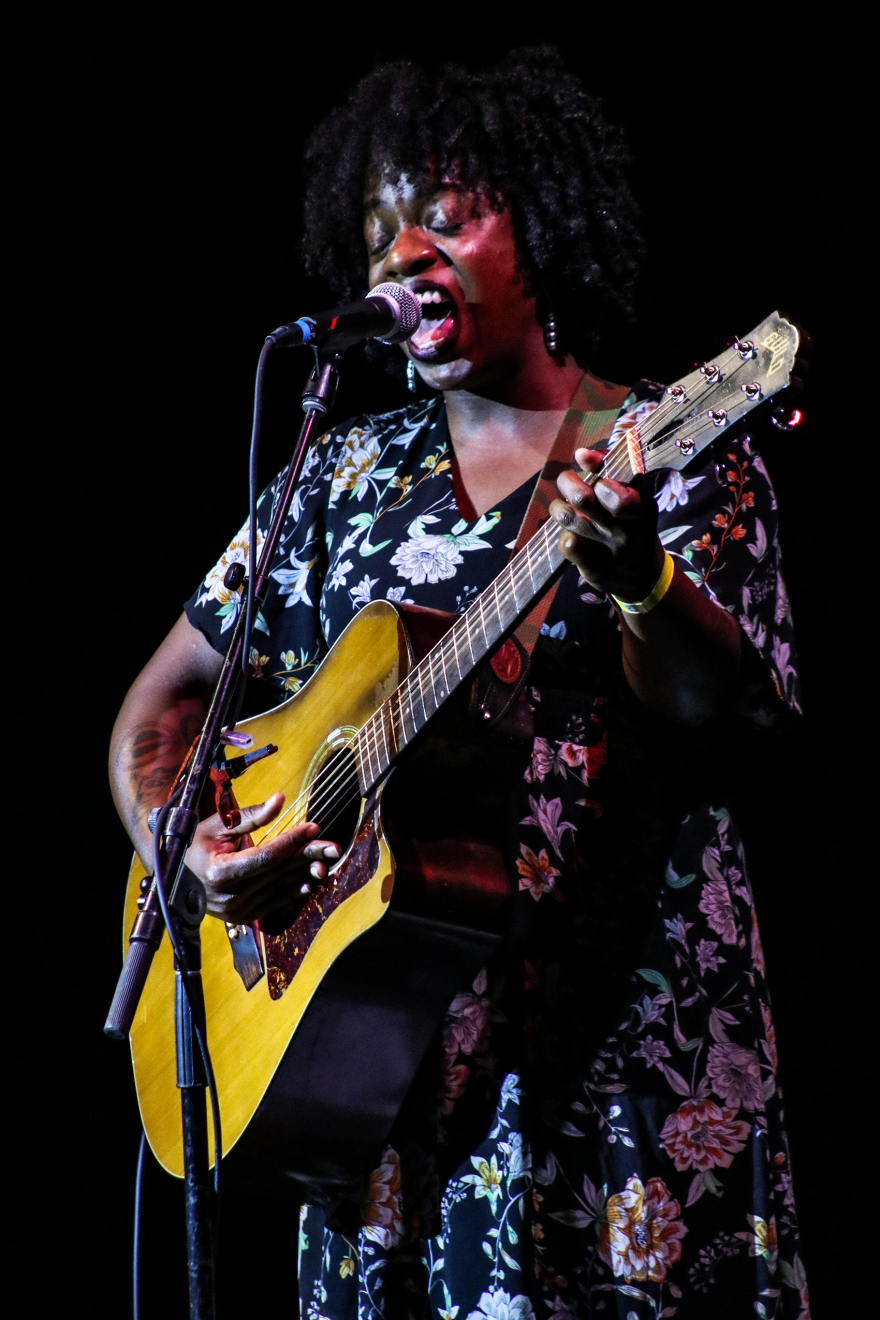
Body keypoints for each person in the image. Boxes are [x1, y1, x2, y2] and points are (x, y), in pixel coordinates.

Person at [110, 50, 810, 1320]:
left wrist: (641, 578)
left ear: (539, 224)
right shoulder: (334, 482)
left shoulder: (666, 445)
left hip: (625, 1067)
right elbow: (162, 703)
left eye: (444, 215)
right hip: (383, 1088)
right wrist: (183, 845)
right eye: (381, 232)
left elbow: (727, 710)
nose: (402, 254)